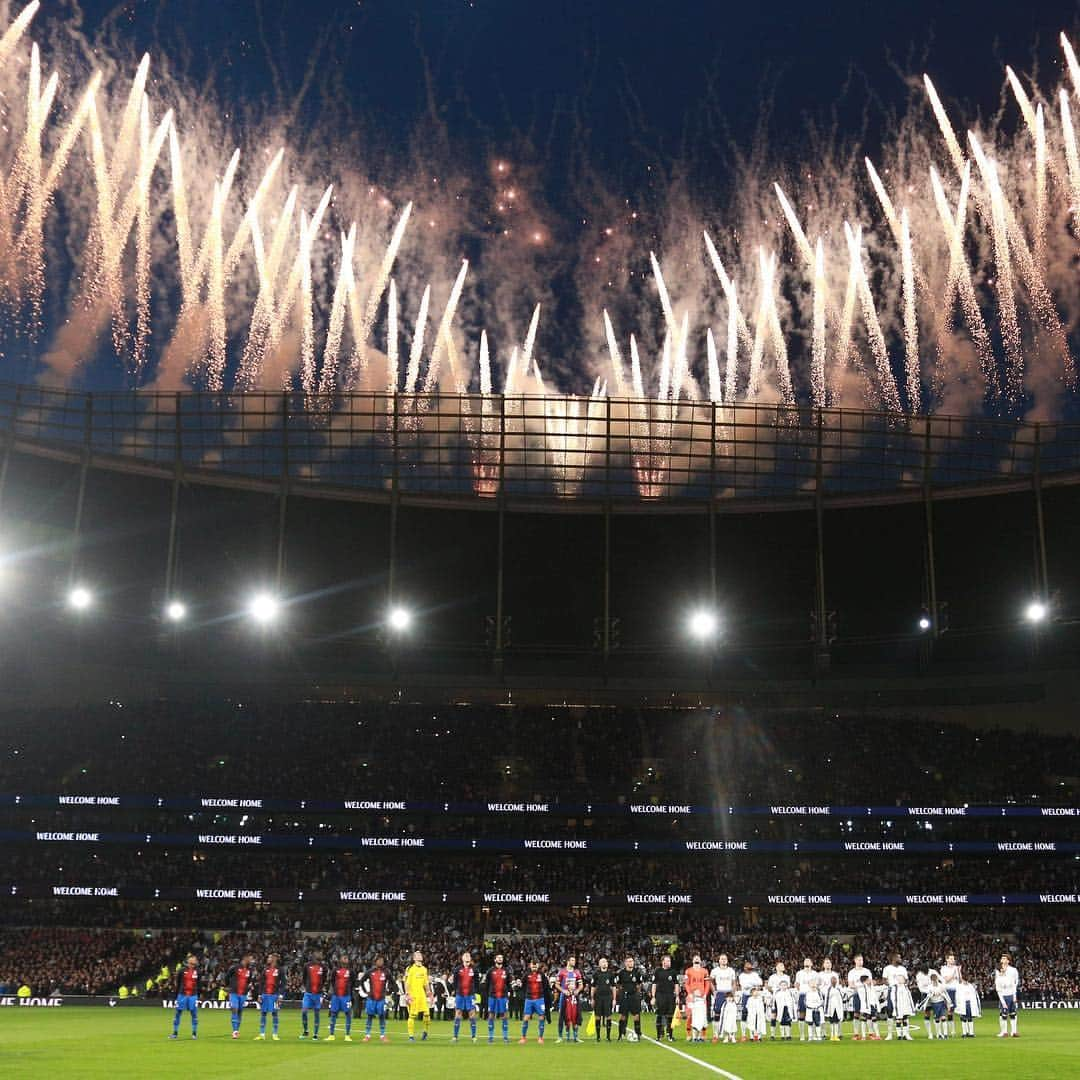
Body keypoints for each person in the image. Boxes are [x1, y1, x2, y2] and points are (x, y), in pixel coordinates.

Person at [359, 955, 391, 1042]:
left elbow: (392, 982)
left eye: (382, 960)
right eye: (379, 960)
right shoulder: (370, 971)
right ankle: (367, 1035)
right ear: (375, 961)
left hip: (381, 998)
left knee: (382, 1016)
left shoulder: (386, 972)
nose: (381, 962)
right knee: (369, 1016)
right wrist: (366, 991)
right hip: (371, 998)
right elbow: (362, 981)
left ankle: (382, 1035)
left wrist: (389, 992)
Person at [225, 952, 257, 1040]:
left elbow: (249, 981)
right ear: (245, 958)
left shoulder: (249, 970)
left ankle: (237, 1029)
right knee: (234, 1009)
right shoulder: (234, 967)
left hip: (243, 994)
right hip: (234, 993)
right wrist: (229, 987)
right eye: (250, 959)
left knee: (239, 1011)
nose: (251, 961)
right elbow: (227, 977)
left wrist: (248, 987)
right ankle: (234, 1031)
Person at [450, 950, 480, 1042]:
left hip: (470, 995)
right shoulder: (457, 969)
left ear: (470, 959)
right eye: (465, 956)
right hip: (460, 995)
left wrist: (474, 992)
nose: (467, 957)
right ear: (462, 958)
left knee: (472, 1014)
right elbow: (455, 982)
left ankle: (474, 1036)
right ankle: (455, 1036)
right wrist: (457, 991)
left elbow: (476, 982)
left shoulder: (474, 969)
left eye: (468, 956)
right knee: (458, 1013)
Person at [613, 955, 644, 1042]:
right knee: (622, 1016)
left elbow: (639, 985)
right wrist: (622, 993)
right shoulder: (621, 973)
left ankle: (637, 1034)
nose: (631, 963)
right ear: (626, 963)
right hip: (624, 997)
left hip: (634, 996)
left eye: (632, 961)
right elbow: (618, 985)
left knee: (636, 1016)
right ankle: (621, 1034)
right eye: (629, 961)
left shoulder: (637, 973)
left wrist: (637, 994)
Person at [169, 954, 200, 1040]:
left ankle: (194, 1033)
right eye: (194, 958)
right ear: (189, 960)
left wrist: (198, 994)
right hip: (182, 995)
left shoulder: (198, 971)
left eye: (195, 959)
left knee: (194, 1014)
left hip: (193, 995)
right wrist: (176, 995)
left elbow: (199, 983)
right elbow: (178, 983)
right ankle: (175, 1033)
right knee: (178, 1013)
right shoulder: (181, 970)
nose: (195, 960)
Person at [403, 950, 433, 1042]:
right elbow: (407, 983)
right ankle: (411, 1036)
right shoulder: (410, 969)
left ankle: (425, 1032)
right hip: (413, 995)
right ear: (414, 958)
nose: (420, 955)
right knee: (412, 1016)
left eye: (421, 954)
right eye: (417, 955)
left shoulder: (424, 969)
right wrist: (407, 994)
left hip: (422, 995)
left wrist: (429, 993)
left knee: (427, 1014)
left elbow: (426, 983)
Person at [519, 959, 550, 1043]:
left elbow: (546, 985)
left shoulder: (542, 975)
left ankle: (540, 1037)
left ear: (538, 966)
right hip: (529, 999)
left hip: (539, 999)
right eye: (533, 965)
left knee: (541, 1017)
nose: (534, 967)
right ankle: (523, 1037)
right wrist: (518, 984)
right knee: (526, 1018)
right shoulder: (526, 974)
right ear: (530, 965)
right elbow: (521, 984)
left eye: (536, 965)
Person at [299, 949, 328, 1041]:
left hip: (318, 994)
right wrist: (306, 987)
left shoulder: (323, 967)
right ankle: (306, 1031)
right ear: (313, 956)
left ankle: (315, 1034)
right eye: (317, 954)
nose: (319, 956)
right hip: (308, 993)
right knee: (304, 1011)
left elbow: (324, 979)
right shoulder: (307, 966)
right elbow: (304, 977)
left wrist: (320, 988)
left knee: (316, 1013)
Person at [325, 953, 355, 1042]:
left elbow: (353, 982)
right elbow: (332, 981)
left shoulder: (351, 971)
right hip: (336, 996)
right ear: (340, 960)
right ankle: (331, 1035)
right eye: (344, 957)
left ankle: (347, 1035)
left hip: (346, 996)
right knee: (333, 1014)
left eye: (347, 958)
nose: (345, 959)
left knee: (348, 1014)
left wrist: (349, 990)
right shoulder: (335, 970)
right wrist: (334, 990)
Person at [255, 952, 284, 1041]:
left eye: (269, 957)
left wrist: (281, 995)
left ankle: (275, 1034)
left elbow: (283, 983)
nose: (268, 959)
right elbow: (261, 983)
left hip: (274, 995)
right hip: (265, 994)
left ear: (274, 959)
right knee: (263, 1013)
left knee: (274, 1013)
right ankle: (262, 1034)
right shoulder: (265, 969)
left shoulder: (280, 970)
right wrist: (259, 995)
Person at [554, 956, 583, 1043]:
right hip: (564, 997)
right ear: (568, 961)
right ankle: (560, 1036)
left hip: (574, 997)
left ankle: (576, 1037)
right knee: (562, 1016)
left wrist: (577, 990)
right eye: (572, 960)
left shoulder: (577, 972)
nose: (574, 962)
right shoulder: (562, 972)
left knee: (575, 1016)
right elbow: (556, 984)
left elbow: (581, 985)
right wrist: (563, 990)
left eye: (575, 960)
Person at [484, 953, 511, 1043]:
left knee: (504, 1016)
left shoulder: (506, 971)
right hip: (493, 996)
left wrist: (509, 992)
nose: (500, 959)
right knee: (491, 1015)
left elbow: (508, 983)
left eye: (501, 958)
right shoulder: (490, 971)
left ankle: (505, 1037)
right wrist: (488, 994)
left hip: (503, 996)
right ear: (495, 960)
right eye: (498, 958)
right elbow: (487, 984)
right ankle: (491, 1037)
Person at [683, 955, 711, 1042]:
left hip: (702, 997)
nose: (696, 959)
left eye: (698, 958)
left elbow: (707, 984)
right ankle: (689, 1034)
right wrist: (690, 993)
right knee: (690, 1015)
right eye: (695, 958)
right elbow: (686, 984)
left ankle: (703, 1034)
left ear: (701, 960)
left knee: (703, 1015)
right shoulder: (688, 971)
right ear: (692, 960)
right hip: (692, 997)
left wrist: (705, 994)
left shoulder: (705, 971)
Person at [710, 953, 737, 1044]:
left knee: (729, 1015)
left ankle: (730, 1035)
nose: (723, 960)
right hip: (720, 993)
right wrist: (714, 991)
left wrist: (733, 994)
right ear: (719, 960)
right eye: (722, 959)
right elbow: (711, 982)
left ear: (727, 960)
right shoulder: (715, 971)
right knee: (717, 1014)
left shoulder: (731, 971)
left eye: (725, 959)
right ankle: (715, 1035)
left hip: (728, 993)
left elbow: (734, 983)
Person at [651, 954, 677, 1043]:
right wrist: (653, 997)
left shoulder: (673, 972)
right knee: (659, 1014)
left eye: (670, 961)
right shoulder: (657, 971)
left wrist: (677, 996)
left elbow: (676, 985)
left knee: (670, 1015)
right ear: (663, 962)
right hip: (660, 995)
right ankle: (658, 1036)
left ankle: (670, 1035)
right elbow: (654, 985)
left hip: (670, 995)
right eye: (668, 961)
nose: (669, 962)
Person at [881, 952, 907, 1040]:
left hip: (902, 992)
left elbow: (906, 980)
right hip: (892, 991)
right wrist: (891, 985)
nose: (900, 959)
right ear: (893, 959)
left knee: (904, 1012)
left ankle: (906, 1034)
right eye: (898, 957)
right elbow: (884, 980)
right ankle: (890, 1034)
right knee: (890, 1011)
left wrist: (902, 983)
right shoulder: (887, 968)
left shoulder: (903, 969)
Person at [994, 953, 1020, 1038]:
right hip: (1003, 994)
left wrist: (1014, 996)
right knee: (1003, 1014)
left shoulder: (1013, 970)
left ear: (1008, 961)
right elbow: (998, 986)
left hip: (1011, 994)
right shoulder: (998, 971)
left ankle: (1014, 1031)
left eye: (1004, 958)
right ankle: (1003, 1031)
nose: (1003, 960)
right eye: (1002, 958)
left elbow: (1015, 982)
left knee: (1013, 1014)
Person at [846, 954, 871, 1039]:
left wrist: (864, 986)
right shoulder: (852, 972)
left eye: (862, 960)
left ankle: (870, 1033)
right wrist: (860, 987)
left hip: (866, 994)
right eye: (859, 960)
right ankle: (856, 1034)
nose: (861, 962)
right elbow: (850, 984)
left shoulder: (867, 971)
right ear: (855, 961)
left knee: (867, 1013)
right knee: (856, 1013)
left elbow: (870, 982)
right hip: (857, 994)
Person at [591, 957, 616, 1042]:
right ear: (599, 964)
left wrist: (614, 999)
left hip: (608, 997)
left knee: (608, 1016)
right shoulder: (596, 974)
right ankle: (598, 1037)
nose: (604, 963)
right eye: (602, 962)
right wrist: (592, 998)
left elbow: (613, 987)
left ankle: (608, 1037)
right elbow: (593, 987)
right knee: (597, 1016)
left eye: (605, 962)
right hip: (598, 997)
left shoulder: (611, 974)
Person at [737, 960, 762, 1042]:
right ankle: (744, 1035)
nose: (749, 966)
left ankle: (756, 1034)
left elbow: (760, 982)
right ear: (744, 967)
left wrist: (751, 984)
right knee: (744, 1014)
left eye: (750, 965)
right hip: (746, 996)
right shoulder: (741, 976)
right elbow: (744, 985)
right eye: (747, 965)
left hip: (755, 996)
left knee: (756, 1015)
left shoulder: (755, 974)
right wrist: (753, 984)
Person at [794, 957, 818, 1042]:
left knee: (813, 1015)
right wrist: (801, 991)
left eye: (808, 960)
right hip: (803, 995)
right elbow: (797, 984)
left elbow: (816, 984)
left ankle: (813, 1035)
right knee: (802, 1014)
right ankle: (802, 1035)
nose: (807, 962)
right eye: (805, 960)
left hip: (812, 995)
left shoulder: (815, 973)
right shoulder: (799, 973)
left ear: (811, 963)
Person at [940, 952, 961, 1036]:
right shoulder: (943, 968)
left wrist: (959, 972)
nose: (953, 960)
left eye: (953, 958)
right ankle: (946, 1030)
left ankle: (952, 1030)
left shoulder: (956, 968)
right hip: (948, 990)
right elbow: (946, 980)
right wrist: (954, 973)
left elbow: (959, 980)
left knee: (952, 1011)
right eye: (951, 959)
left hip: (956, 990)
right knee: (948, 1010)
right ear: (947, 959)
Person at [891, 972, 916, 1040]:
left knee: (905, 1019)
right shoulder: (894, 987)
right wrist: (895, 1005)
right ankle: (899, 1035)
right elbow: (893, 997)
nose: (903, 980)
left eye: (903, 978)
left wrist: (911, 1006)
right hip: (898, 1005)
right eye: (901, 979)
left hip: (905, 1005)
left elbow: (909, 996)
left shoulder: (905, 987)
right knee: (898, 1020)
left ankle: (905, 1035)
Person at [926, 972, 951, 1038]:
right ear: (931, 980)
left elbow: (946, 995)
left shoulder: (941, 986)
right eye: (933, 980)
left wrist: (948, 1004)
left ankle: (945, 1034)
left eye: (936, 980)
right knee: (937, 1019)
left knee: (943, 1018)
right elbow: (928, 996)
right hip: (934, 1004)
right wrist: (933, 993)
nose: (935, 981)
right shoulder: (929, 987)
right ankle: (939, 1034)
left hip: (941, 1002)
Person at [822, 971, 845, 1042]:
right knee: (831, 1022)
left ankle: (836, 1035)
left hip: (838, 1007)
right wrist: (826, 1010)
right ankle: (832, 1035)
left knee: (837, 1022)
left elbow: (842, 997)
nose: (834, 981)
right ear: (830, 982)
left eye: (835, 980)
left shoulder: (839, 989)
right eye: (832, 980)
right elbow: (826, 999)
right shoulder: (828, 989)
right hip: (831, 1008)